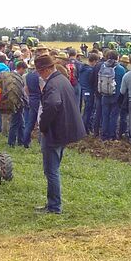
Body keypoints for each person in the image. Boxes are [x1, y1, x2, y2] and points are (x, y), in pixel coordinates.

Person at [35, 54, 86, 214]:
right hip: (64, 130)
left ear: (46, 69)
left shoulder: (52, 84)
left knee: (51, 170)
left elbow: (53, 104)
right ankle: (52, 203)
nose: (39, 74)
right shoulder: (62, 79)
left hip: (55, 132)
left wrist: (43, 125)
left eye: (39, 71)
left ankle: (54, 206)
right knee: (53, 168)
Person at [99, 50, 126, 141]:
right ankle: (112, 136)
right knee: (114, 116)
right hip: (116, 96)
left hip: (105, 95)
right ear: (117, 57)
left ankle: (104, 135)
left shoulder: (103, 66)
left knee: (105, 116)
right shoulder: (121, 69)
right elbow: (123, 83)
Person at [7, 61, 28, 147]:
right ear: (21, 68)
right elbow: (19, 91)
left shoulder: (12, 76)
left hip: (16, 102)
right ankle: (11, 142)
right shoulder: (16, 78)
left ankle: (21, 141)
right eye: (24, 70)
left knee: (21, 123)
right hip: (17, 103)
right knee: (15, 123)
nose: (25, 72)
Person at [78, 53, 99, 134]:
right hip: (89, 92)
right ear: (93, 61)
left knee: (86, 110)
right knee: (88, 111)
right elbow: (92, 82)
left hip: (84, 91)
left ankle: (84, 127)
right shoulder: (90, 70)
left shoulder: (83, 68)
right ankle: (85, 128)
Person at [23, 61, 41, 148]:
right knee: (41, 120)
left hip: (31, 98)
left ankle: (25, 141)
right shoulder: (39, 77)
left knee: (30, 122)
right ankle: (41, 142)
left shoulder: (29, 75)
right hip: (39, 99)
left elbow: (26, 88)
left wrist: (29, 97)